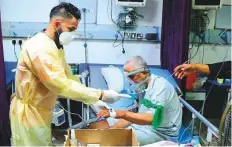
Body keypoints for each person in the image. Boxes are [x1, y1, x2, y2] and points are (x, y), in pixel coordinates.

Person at [10, 3, 124, 146]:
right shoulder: (40, 47)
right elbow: (60, 84)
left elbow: (69, 77)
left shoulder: (55, 46)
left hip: (41, 111)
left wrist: (93, 100)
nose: (72, 35)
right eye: (71, 29)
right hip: (30, 114)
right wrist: (100, 94)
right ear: (57, 24)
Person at [89, 56, 183, 146]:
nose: (130, 80)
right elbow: (136, 114)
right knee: (95, 126)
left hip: (159, 133)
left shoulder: (160, 87)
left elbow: (152, 119)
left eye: (131, 76)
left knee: (111, 139)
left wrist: (121, 114)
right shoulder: (142, 87)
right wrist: (113, 128)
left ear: (144, 72)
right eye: (128, 77)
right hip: (139, 125)